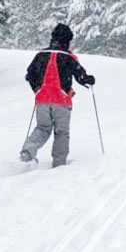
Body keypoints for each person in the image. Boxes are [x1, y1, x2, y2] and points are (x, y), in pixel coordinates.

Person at [20, 23, 95, 167]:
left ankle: (27, 153)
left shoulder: (41, 55)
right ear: (67, 40)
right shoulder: (69, 57)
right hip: (61, 100)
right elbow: (81, 77)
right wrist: (90, 80)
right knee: (61, 133)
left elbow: (29, 75)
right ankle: (59, 164)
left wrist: (37, 90)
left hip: (42, 99)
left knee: (42, 128)